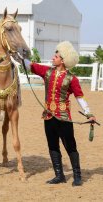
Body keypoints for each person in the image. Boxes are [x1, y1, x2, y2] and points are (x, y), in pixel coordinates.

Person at [24, 41, 96, 186]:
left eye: (56, 56)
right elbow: (30, 65)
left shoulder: (71, 78)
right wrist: (17, 56)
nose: (53, 58)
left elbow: (79, 97)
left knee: (70, 146)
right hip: (48, 116)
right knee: (52, 146)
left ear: (63, 60)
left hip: (63, 117)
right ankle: (59, 175)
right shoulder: (47, 72)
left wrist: (89, 113)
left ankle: (77, 176)